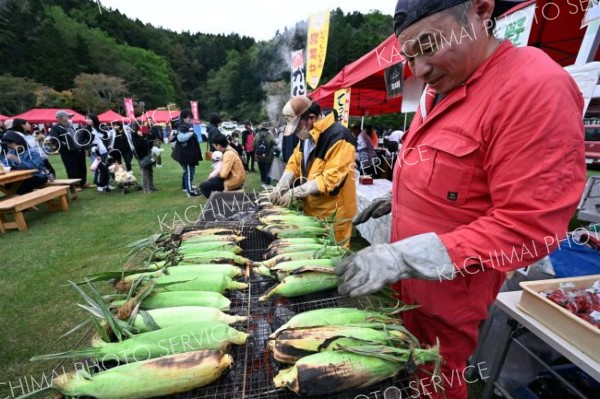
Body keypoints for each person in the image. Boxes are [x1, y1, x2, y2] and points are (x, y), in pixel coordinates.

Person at [335, 1, 586, 398]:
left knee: (432, 382)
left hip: (446, 309)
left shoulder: (534, 86)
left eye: (429, 46)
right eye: (410, 57)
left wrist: (402, 257)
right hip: (403, 295)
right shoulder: (439, 89)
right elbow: (450, 178)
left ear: (480, 11)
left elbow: (530, 227)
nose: (419, 71)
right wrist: (399, 201)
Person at [269, 96, 357, 245]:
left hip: (334, 215)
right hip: (312, 210)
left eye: (297, 127)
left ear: (311, 118)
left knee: (333, 258)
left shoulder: (339, 137)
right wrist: (282, 185)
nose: (297, 132)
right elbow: (294, 164)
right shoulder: (307, 137)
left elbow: (330, 179)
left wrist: (294, 192)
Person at [49, 110, 87, 188]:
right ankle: (75, 186)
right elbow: (54, 140)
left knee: (82, 167)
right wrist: (65, 146)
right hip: (68, 153)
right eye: (67, 116)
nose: (69, 118)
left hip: (78, 150)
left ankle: (82, 183)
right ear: (61, 118)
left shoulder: (70, 125)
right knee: (72, 169)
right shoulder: (55, 128)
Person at [199, 133, 245, 198]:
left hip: (234, 179)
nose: (214, 147)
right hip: (234, 176)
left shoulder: (228, 154)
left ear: (219, 145)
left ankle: (219, 200)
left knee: (203, 186)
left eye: (215, 145)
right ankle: (219, 198)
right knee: (210, 182)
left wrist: (216, 174)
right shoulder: (229, 150)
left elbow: (224, 174)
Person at [171, 110, 201, 197]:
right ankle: (190, 192)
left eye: (191, 118)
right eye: (189, 118)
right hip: (185, 155)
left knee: (189, 172)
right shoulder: (181, 126)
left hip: (189, 154)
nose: (190, 119)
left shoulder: (186, 126)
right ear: (184, 118)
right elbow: (181, 138)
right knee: (188, 173)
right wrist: (190, 133)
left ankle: (187, 187)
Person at [85, 114, 111, 192]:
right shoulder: (85, 130)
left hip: (104, 151)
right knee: (99, 169)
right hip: (94, 152)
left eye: (89, 119)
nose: (87, 120)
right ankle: (100, 185)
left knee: (106, 168)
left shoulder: (100, 127)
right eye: (86, 119)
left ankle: (106, 184)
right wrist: (90, 146)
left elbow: (106, 138)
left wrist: (108, 145)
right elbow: (82, 142)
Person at [131, 122, 156, 194]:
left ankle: (151, 186)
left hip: (147, 153)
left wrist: (145, 135)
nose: (143, 125)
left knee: (150, 171)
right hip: (141, 155)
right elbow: (139, 146)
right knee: (144, 172)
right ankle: (145, 189)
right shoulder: (134, 135)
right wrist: (142, 137)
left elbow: (149, 139)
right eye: (141, 124)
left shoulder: (143, 133)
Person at [254, 123, 275, 188]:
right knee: (268, 170)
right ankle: (267, 184)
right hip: (268, 156)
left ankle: (262, 182)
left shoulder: (257, 135)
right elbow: (273, 144)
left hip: (259, 156)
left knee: (261, 169)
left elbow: (254, 145)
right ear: (267, 128)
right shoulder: (270, 135)